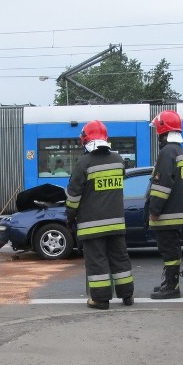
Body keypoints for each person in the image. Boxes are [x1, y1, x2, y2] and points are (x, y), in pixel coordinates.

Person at [65, 120, 134, 309]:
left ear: (84, 140)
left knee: (97, 262)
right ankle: (127, 295)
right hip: (117, 223)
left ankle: (100, 299)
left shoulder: (83, 163)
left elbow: (73, 196)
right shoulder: (118, 160)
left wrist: (69, 217)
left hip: (92, 224)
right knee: (120, 259)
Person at [146, 110, 183, 300]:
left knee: (169, 251)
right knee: (172, 250)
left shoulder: (167, 152)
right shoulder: (179, 150)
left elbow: (162, 185)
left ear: (163, 129)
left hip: (166, 215)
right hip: (176, 213)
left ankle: (171, 287)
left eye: (157, 128)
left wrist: (154, 209)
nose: (156, 133)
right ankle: (170, 284)